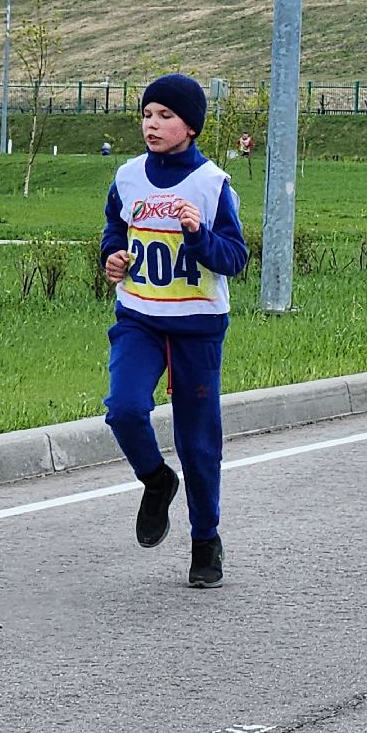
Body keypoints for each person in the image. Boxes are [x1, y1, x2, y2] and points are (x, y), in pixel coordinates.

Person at [99, 73, 249, 588]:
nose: (152, 124)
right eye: (147, 114)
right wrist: (112, 258)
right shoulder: (127, 177)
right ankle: (157, 481)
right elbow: (114, 232)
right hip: (139, 318)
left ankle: (205, 540)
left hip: (197, 329)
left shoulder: (211, 184)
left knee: (198, 442)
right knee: (123, 408)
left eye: (165, 116)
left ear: (190, 125)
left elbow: (235, 258)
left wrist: (198, 234)